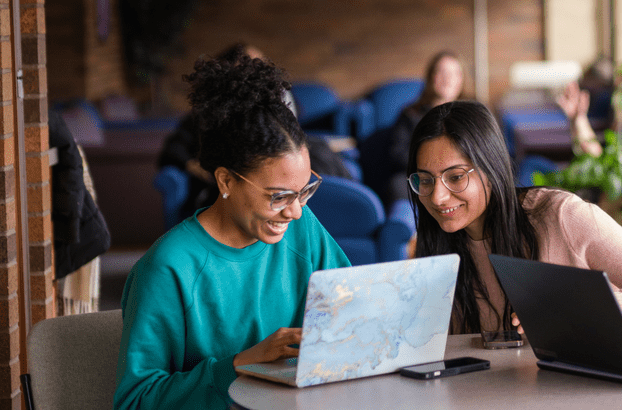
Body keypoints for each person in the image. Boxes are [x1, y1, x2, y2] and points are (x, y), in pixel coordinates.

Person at [115, 56, 351, 409]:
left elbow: (352, 311)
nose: (296, 210)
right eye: (278, 196)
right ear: (226, 181)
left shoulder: (302, 229)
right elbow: (136, 400)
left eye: (304, 191)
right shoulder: (168, 268)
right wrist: (239, 365)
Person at [407, 100, 622, 334]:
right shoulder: (436, 244)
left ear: (491, 169)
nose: (437, 197)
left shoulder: (560, 216)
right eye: (426, 180)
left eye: (456, 177)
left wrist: (595, 305)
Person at [158, 42, 350, 224]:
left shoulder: (280, 108)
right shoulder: (209, 116)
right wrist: (199, 166)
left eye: (262, 63)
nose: (260, 69)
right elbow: (173, 150)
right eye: (251, 63)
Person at [362, 50, 466, 206]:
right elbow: (397, 154)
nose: (448, 79)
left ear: (461, 80)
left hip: (461, 176)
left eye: (454, 73)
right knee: (397, 186)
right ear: (431, 78)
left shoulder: (471, 115)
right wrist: (433, 167)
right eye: (442, 72)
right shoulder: (410, 114)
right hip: (421, 177)